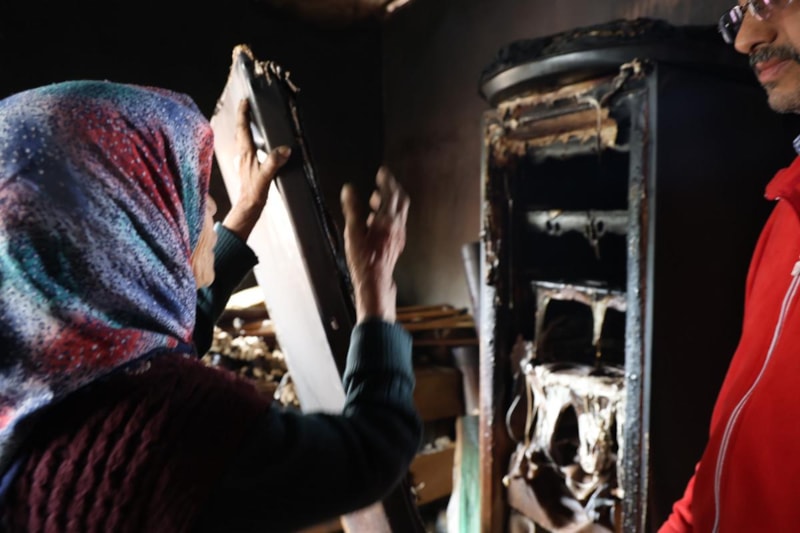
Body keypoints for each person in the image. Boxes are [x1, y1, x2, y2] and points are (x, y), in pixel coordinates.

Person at [0, 80, 421, 532]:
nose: (214, 204)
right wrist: (375, 293)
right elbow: (370, 453)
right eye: (183, 189)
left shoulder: (34, 387)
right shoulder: (178, 429)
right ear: (128, 223)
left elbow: (151, 349)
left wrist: (244, 213)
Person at [661, 2, 800, 532]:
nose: (745, 39)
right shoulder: (784, 211)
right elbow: (733, 448)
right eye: (738, 11)